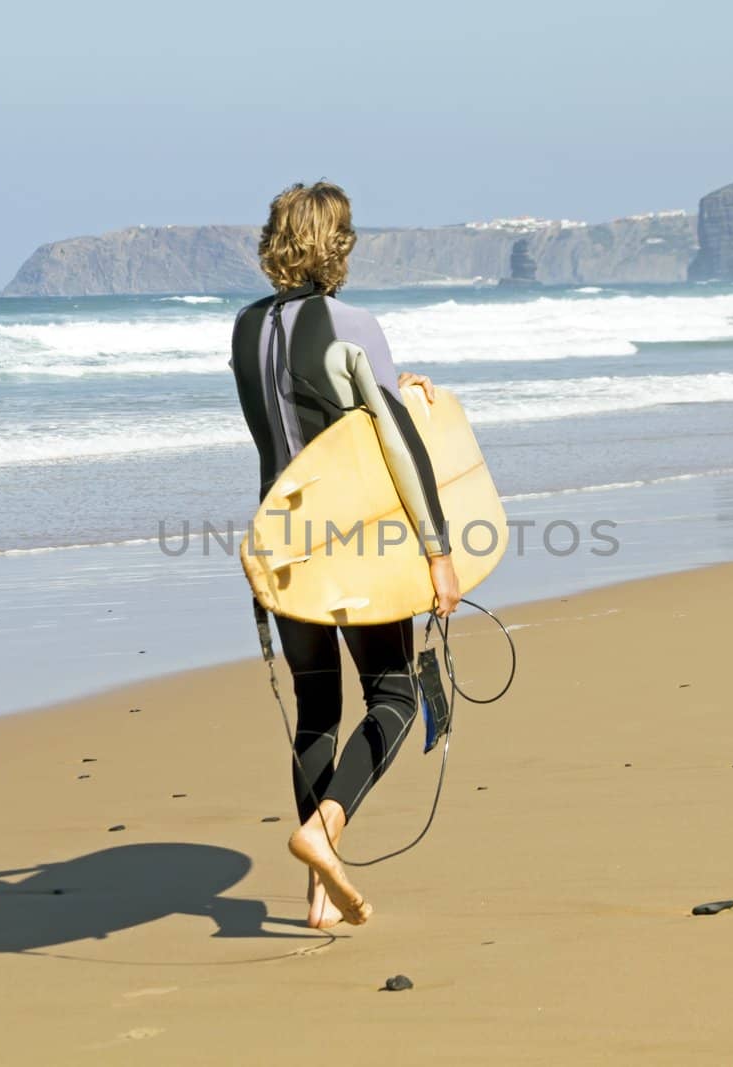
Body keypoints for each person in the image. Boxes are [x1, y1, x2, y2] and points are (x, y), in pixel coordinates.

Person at [230, 182, 461, 929]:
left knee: (317, 706)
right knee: (393, 696)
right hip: (352, 549)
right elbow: (390, 441)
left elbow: (297, 429)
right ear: (340, 244)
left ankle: (319, 894)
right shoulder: (353, 324)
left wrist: (397, 387)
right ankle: (324, 829)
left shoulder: (242, 330)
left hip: (277, 542)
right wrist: (439, 551)